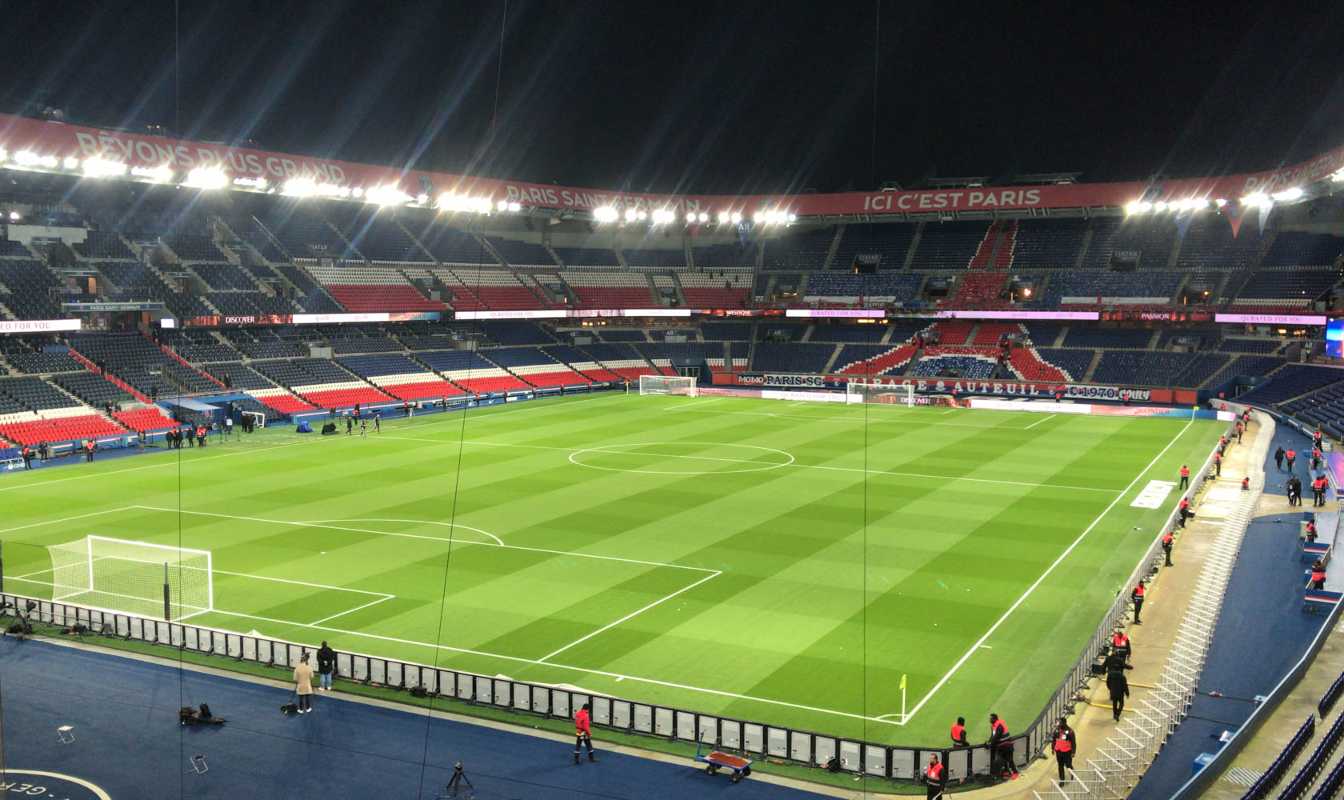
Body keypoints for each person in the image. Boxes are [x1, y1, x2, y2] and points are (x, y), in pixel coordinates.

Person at [987, 713, 1018, 780]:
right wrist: (988, 742)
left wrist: (990, 744)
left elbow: (996, 737)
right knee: (1002, 759)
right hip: (1001, 746)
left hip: (1007, 745)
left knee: (1009, 759)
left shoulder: (999, 725)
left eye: (991, 718)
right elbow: (992, 736)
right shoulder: (993, 726)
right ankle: (1006, 772)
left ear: (995, 719)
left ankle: (1015, 772)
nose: (989, 720)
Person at [1105, 651, 1132, 721]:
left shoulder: (1110, 675)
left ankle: (1114, 714)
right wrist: (1127, 693)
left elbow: (1107, 683)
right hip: (1120, 693)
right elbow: (1125, 686)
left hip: (1113, 691)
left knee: (1114, 704)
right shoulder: (1122, 676)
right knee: (1121, 704)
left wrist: (1110, 688)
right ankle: (1118, 713)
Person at [1053, 717, 1076, 783]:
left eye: (1060, 723)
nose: (1058, 724)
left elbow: (1073, 742)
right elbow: (1054, 740)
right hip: (1058, 751)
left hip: (1067, 752)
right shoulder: (1057, 730)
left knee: (1068, 765)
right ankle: (1062, 780)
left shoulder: (1070, 731)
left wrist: (1073, 752)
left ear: (1064, 723)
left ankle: (1072, 774)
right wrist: (1053, 748)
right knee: (1060, 765)